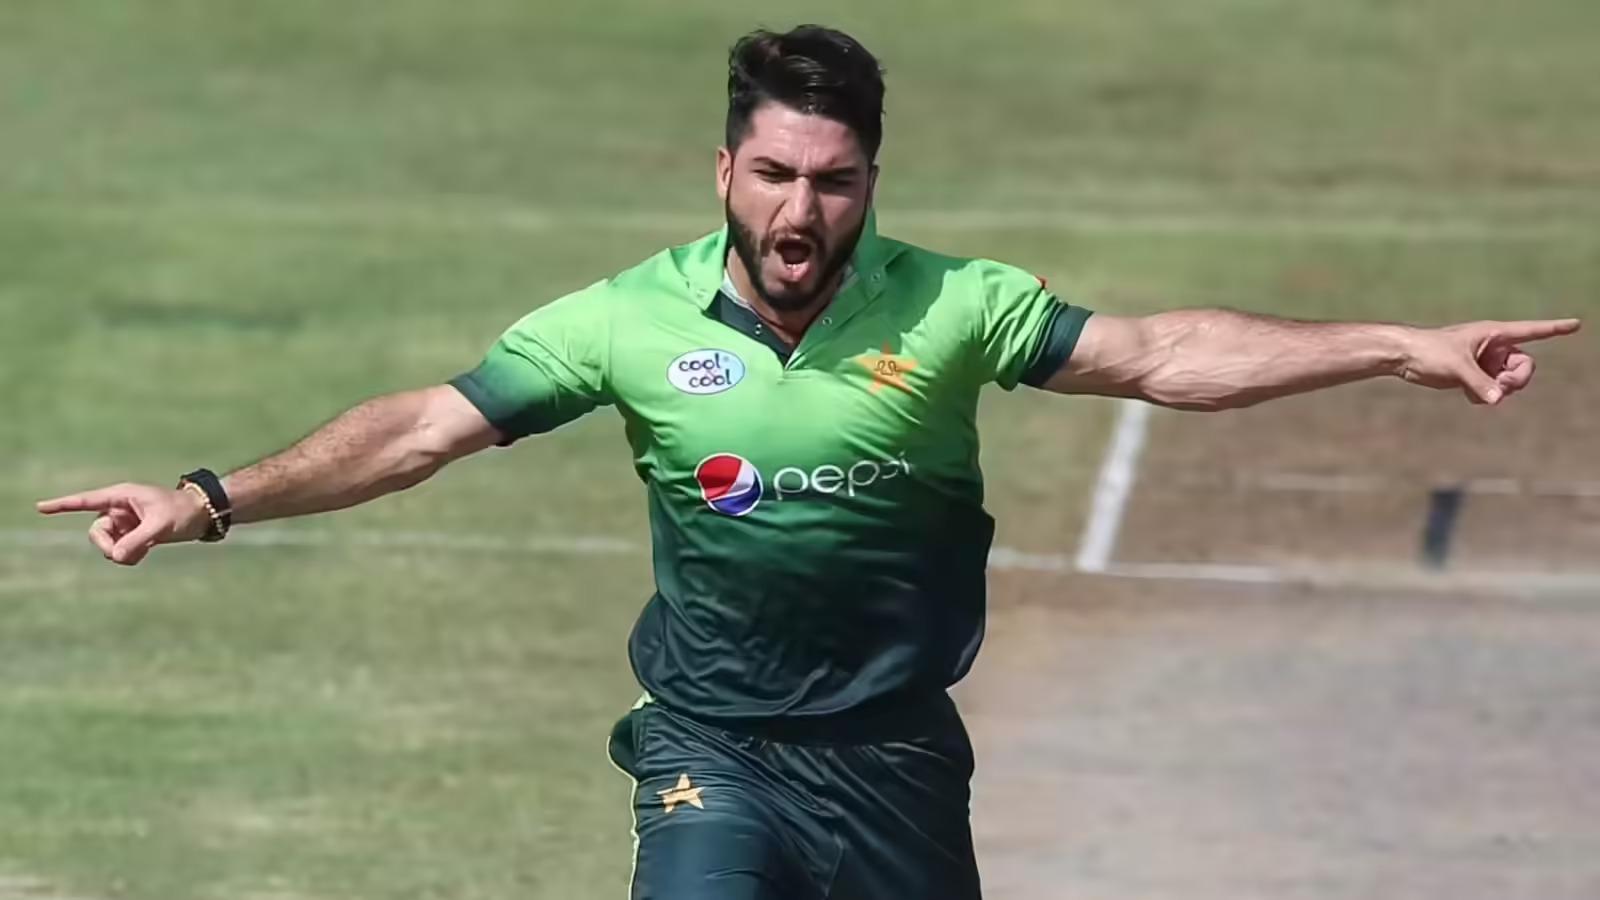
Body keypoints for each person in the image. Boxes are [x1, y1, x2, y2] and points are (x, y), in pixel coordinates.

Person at [36, 24, 1579, 900]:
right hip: (716, 748)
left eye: (831, 182)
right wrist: (209, 499)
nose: (797, 210)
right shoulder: (626, 321)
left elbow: (1166, 355)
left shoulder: (956, 306)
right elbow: (425, 429)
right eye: (772, 173)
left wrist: (1399, 344)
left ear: (870, 183)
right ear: (724, 168)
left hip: (897, 755)